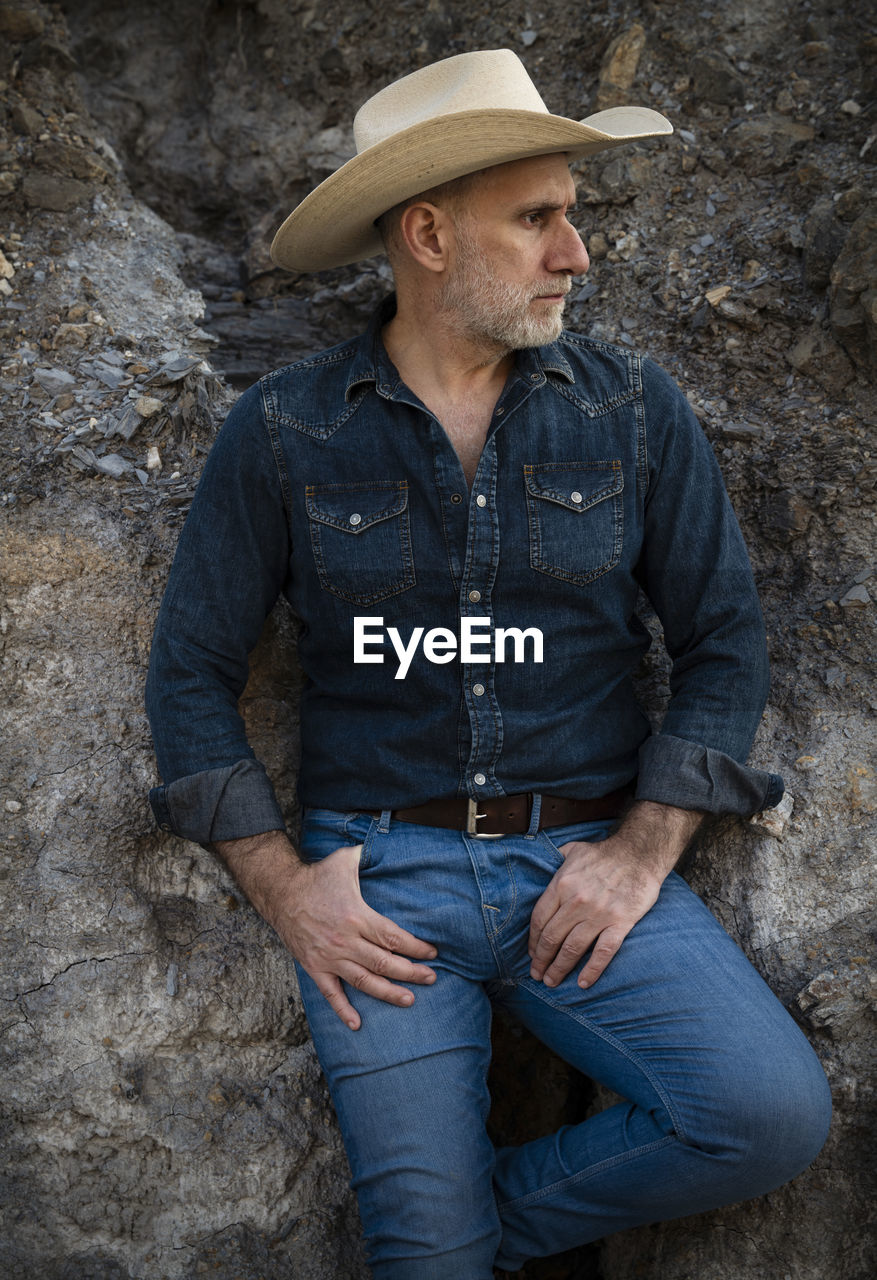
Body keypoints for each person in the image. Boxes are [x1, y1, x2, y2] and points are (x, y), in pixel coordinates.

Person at [146, 49, 831, 1280]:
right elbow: (190, 671)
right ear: (424, 232)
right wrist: (285, 892)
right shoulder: (289, 428)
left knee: (767, 1114)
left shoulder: (630, 411)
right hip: (380, 887)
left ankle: (460, 1239)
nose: (576, 253)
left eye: (572, 216)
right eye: (537, 218)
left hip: (579, 861)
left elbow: (724, 639)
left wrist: (639, 851)